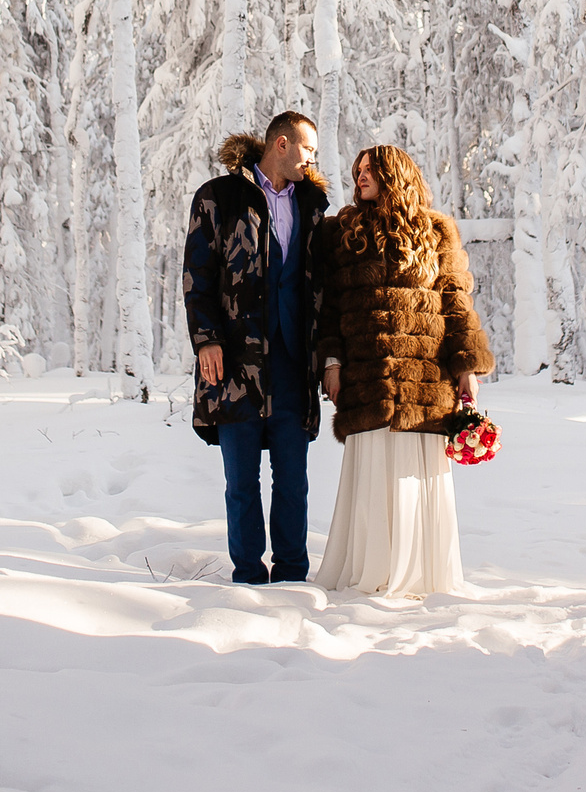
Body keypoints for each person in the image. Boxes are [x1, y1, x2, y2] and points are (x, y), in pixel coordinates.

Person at [313, 143, 493, 598]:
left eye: (370, 170)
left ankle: (421, 575)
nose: (361, 179)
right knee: (372, 471)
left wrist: (466, 368)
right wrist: (331, 363)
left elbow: (456, 302)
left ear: (395, 174)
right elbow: (328, 309)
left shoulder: (436, 231)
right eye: (357, 172)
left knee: (416, 476)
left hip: (424, 378)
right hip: (368, 374)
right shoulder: (344, 231)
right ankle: (371, 571)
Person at [182, 111, 326, 584]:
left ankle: (291, 574)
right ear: (281, 144)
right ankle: (246, 576)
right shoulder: (219, 196)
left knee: (292, 480)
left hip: (292, 362)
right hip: (235, 362)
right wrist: (205, 340)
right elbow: (196, 277)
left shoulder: (313, 204)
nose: (313, 159)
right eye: (308, 149)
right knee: (241, 482)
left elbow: (322, 284)